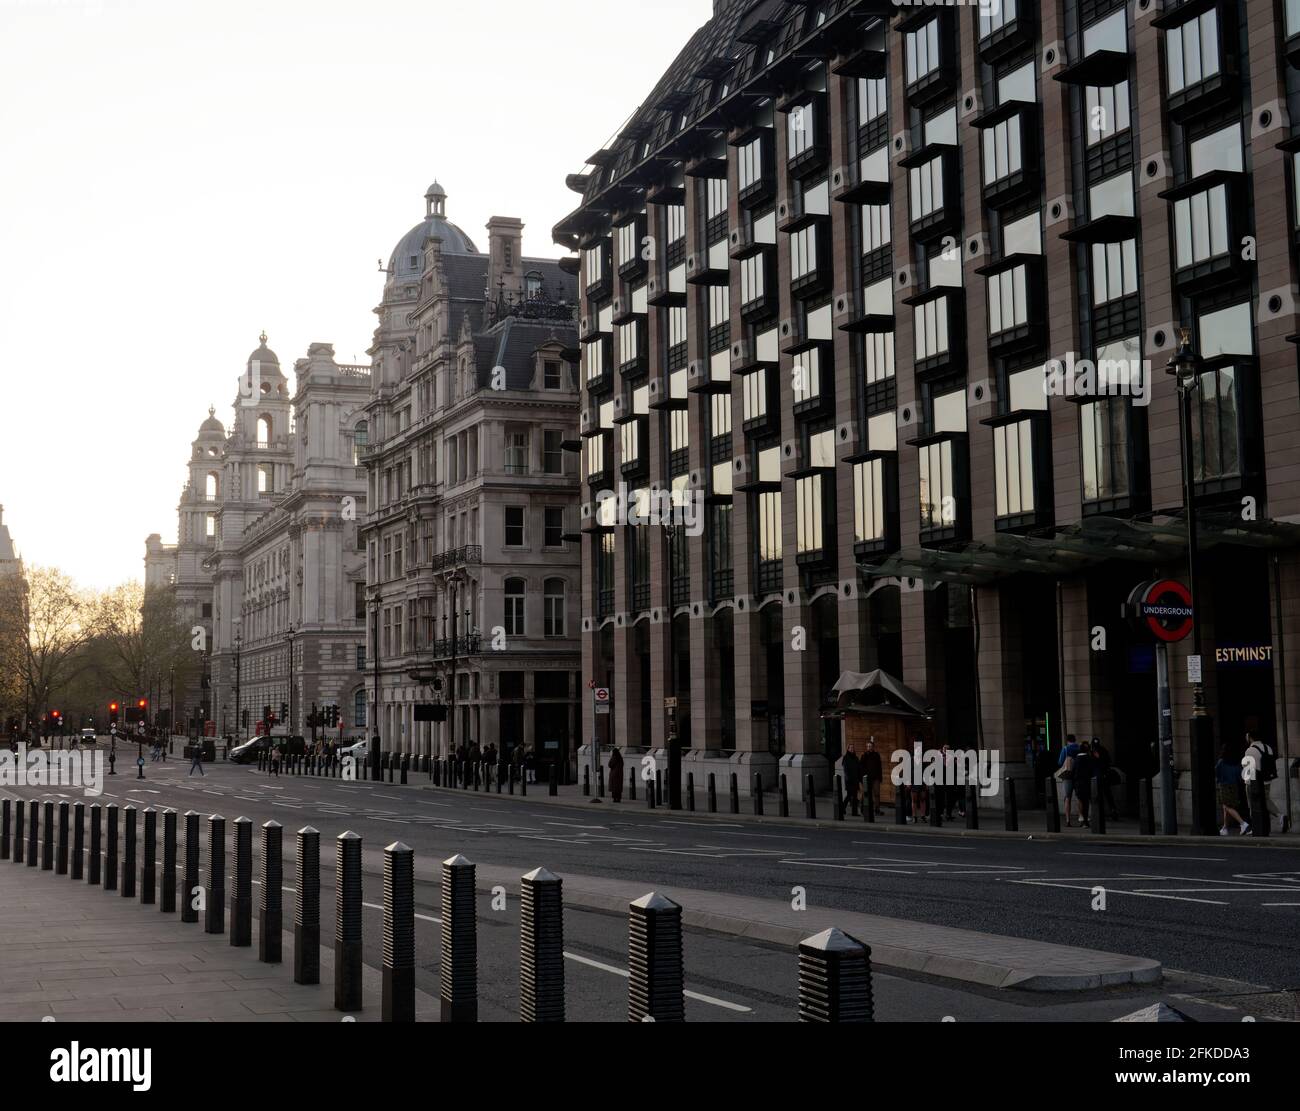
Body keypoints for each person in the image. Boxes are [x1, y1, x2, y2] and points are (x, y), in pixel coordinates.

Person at [1242, 732, 1287, 833]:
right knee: (1265, 800)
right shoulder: (1268, 748)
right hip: (1267, 780)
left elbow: (1248, 769)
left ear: (1250, 738)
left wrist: (1247, 782)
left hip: (1253, 782)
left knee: (1253, 804)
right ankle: (1280, 816)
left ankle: (1255, 826)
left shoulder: (1250, 750)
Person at [1217, 744, 1250, 835]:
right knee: (1226, 807)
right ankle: (1225, 828)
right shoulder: (1236, 762)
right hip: (1234, 785)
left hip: (1224, 785)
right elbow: (1240, 774)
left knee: (1227, 806)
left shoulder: (1221, 762)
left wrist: (1219, 780)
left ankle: (1243, 824)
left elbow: (1217, 772)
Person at [1091, 737, 1120, 821]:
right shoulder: (1102, 750)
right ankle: (1112, 810)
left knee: (1102, 795)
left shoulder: (1095, 751)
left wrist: (1098, 758)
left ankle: (1107, 811)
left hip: (1099, 777)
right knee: (1107, 794)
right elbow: (1108, 762)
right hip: (1103, 776)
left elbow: (1104, 762)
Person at [1056, 734, 1082, 826]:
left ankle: (1068, 820)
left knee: (1067, 798)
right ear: (1075, 739)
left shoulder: (1065, 749)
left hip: (1068, 776)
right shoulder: (1079, 748)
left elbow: (1060, 762)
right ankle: (1081, 817)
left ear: (1067, 740)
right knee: (1079, 797)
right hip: (1078, 776)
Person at [1072, 739, 1094, 828]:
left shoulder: (1076, 759)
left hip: (1078, 783)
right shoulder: (1089, 759)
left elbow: (1073, 772)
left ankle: (1083, 820)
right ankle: (1086, 820)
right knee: (1087, 802)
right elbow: (1092, 771)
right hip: (1087, 782)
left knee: (1081, 801)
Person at [863, 738, 883, 816]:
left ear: (873, 747)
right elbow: (862, 767)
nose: (869, 747)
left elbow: (879, 767)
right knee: (867, 794)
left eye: (870, 746)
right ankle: (866, 809)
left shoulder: (876, 755)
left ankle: (877, 809)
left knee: (877, 794)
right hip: (867, 778)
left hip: (876, 778)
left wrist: (880, 777)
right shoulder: (864, 755)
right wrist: (864, 777)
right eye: (868, 746)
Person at [841, 748, 861, 817]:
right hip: (849, 780)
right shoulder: (845, 758)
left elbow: (858, 768)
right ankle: (842, 808)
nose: (852, 749)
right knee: (849, 795)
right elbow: (845, 769)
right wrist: (848, 778)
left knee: (855, 796)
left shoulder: (856, 758)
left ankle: (854, 812)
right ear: (848, 749)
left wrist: (859, 778)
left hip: (855, 780)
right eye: (850, 748)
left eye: (853, 748)